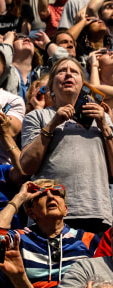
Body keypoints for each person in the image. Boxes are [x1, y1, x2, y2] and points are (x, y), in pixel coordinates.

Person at [0, 180, 99, 288]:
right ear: (31, 213)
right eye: (41, 194)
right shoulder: (21, 237)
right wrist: (20, 197)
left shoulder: (87, 239)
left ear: (65, 209)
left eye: (56, 193)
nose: (51, 196)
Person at [20, 57, 113, 233]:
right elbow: (26, 166)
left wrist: (104, 126)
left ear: (83, 84)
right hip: (48, 214)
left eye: (74, 71)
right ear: (52, 88)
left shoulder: (102, 118)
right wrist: (52, 125)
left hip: (95, 213)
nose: (68, 74)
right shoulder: (37, 117)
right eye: (62, 71)